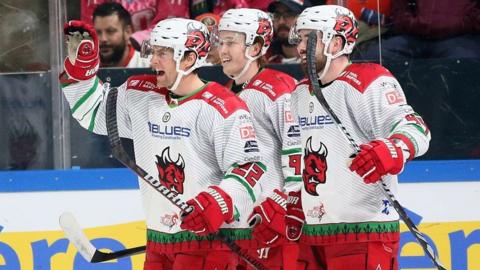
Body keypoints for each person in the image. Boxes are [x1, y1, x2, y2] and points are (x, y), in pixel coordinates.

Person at [60, 18, 266, 269]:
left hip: (210, 242)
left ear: (189, 59)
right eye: (153, 51)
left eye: (164, 53)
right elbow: (93, 114)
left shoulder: (223, 107)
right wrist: (81, 72)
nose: (153, 60)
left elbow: (250, 169)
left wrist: (218, 201)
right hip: (159, 239)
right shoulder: (140, 93)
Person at [286, 5, 431, 269]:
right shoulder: (299, 93)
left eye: (310, 38)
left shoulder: (369, 80)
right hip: (314, 232)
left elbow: (416, 129)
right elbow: (298, 154)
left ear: (337, 42)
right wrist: (296, 196)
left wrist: (391, 149)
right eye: (300, 38)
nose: (300, 46)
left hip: (364, 229)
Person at [217, 8, 302, 269]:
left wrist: (285, 204)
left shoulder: (279, 88)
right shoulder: (226, 93)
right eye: (221, 42)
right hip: (240, 227)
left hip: (274, 225)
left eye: (231, 42)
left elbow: (299, 151)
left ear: (255, 46)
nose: (223, 50)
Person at [359, 0, 480, 61]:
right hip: (414, 38)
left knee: (465, 64)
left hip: (460, 38)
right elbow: (399, 10)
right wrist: (416, 24)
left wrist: (463, 22)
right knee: (371, 59)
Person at [92, 2, 149, 67]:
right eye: (98, 32)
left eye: (110, 31)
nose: (103, 39)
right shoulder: (85, 70)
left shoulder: (149, 67)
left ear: (127, 32)